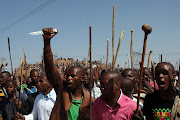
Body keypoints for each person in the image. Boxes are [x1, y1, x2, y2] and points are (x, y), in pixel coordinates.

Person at [42, 28, 95, 120]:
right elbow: (50, 68)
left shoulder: (90, 101)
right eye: (68, 75)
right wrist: (47, 43)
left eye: (73, 76)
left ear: (82, 78)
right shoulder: (62, 88)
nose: (68, 78)